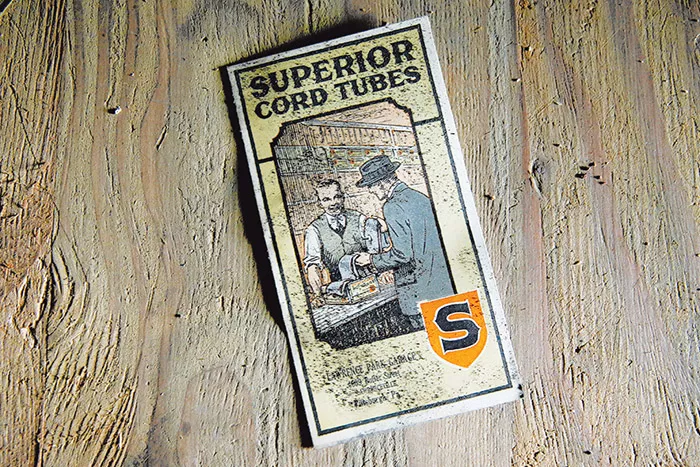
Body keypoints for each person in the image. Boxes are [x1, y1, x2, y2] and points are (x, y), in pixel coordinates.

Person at [355, 155, 453, 329]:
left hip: (418, 291)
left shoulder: (392, 206)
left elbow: (403, 254)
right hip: (441, 285)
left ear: (382, 183)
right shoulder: (419, 197)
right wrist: (389, 228)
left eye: (370, 185)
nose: (370, 191)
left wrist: (371, 259)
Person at [303, 179, 368, 296]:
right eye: (326, 199)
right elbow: (312, 265)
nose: (333, 203)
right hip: (341, 288)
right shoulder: (314, 229)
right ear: (319, 203)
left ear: (343, 198)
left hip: (370, 280)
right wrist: (318, 294)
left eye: (337, 197)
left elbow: (377, 249)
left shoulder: (359, 218)